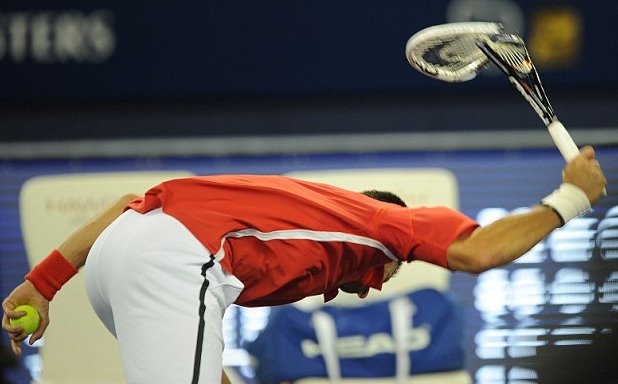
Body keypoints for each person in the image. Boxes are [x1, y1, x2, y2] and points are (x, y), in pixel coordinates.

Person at [2, 146, 607, 384]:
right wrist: (572, 196)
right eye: (379, 274)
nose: (368, 291)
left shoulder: (285, 205)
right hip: (168, 263)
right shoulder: (383, 224)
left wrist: (43, 283)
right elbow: (481, 251)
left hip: (118, 257)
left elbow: (123, 210)